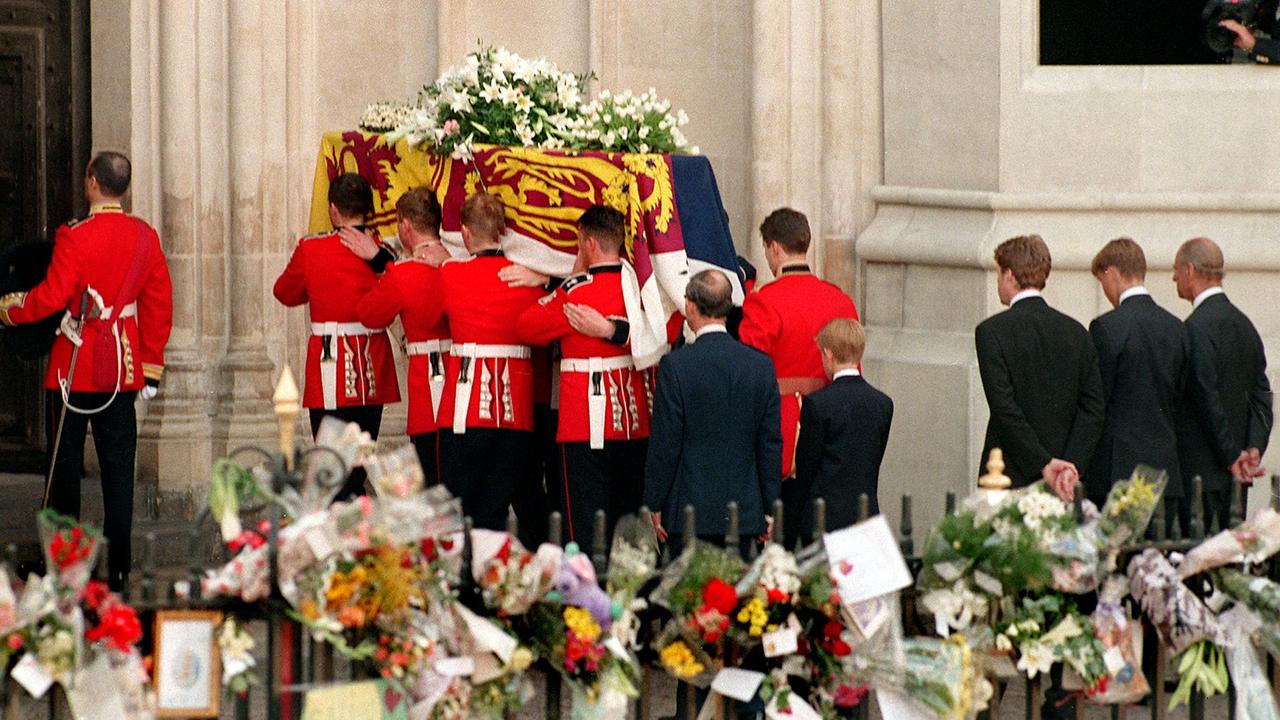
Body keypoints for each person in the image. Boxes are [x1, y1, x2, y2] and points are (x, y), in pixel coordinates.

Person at [0, 151, 173, 590]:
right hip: (122, 366)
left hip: (73, 367)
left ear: (92, 182)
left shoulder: (74, 235)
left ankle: (65, 568)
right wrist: (151, 366)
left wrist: (12, 310)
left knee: (63, 472)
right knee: (119, 472)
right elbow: (158, 305)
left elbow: (51, 296)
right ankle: (119, 568)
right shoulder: (144, 236)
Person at [517, 205, 648, 552]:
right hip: (632, 420)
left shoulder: (576, 292)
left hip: (583, 424)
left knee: (585, 527)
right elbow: (663, 333)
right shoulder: (640, 290)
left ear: (589, 243)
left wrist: (564, 281)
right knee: (628, 525)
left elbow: (527, 326)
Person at [273, 173, 401, 499]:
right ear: (368, 210)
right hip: (372, 364)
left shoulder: (312, 248)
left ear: (333, 210)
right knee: (358, 466)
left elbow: (285, 292)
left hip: (330, 365)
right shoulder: (382, 252)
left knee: (331, 471)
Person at [738, 208, 858, 541]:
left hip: (783, 428)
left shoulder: (764, 301)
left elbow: (752, 374)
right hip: (834, 424)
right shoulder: (839, 299)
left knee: (783, 530)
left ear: (774, 247)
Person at [644, 269, 781, 558]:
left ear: (690, 306)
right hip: (744, 513)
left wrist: (654, 501)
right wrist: (770, 508)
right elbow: (769, 444)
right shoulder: (760, 367)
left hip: (688, 513)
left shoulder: (676, 366)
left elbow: (666, 442)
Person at [437, 193, 546, 533]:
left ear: (466, 234)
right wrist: (545, 277)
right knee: (494, 512)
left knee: (457, 511)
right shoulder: (527, 280)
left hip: (464, 408)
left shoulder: (450, 274)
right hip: (514, 411)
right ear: (502, 233)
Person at [975, 234, 1104, 500]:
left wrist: (1043, 463)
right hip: (1066, 479)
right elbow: (1092, 408)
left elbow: (1004, 407)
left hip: (1009, 472)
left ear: (1009, 275)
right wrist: (1070, 466)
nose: (998, 282)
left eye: (998, 275)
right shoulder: (1076, 332)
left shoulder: (992, 331)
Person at [1087, 238, 1189, 534]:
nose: (1105, 292)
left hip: (1116, 472)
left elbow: (1097, 400)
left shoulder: (1106, 328)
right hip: (1165, 469)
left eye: (1102, 281)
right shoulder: (1176, 328)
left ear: (1111, 273)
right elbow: (1179, 395)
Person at [1173, 237, 1272, 532]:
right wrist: (1253, 447)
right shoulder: (1244, 324)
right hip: (1237, 477)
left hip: (1202, 473)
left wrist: (1231, 455)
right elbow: (1261, 394)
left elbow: (1205, 395)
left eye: (1176, 270)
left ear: (1189, 270)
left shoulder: (1196, 327)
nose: (1174, 277)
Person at [356, 188, 451, 485]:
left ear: (406, 226)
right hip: (463, 372)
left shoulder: (403, 273)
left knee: (431, 468)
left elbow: (370, 314)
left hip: (428, 376)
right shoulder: (456, 262)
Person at [792, 318, 893, 544]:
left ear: (828, 354)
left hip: (824, 519)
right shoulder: (883, 403)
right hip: (865, 515)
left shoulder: (818, 404)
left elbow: (807, 468)